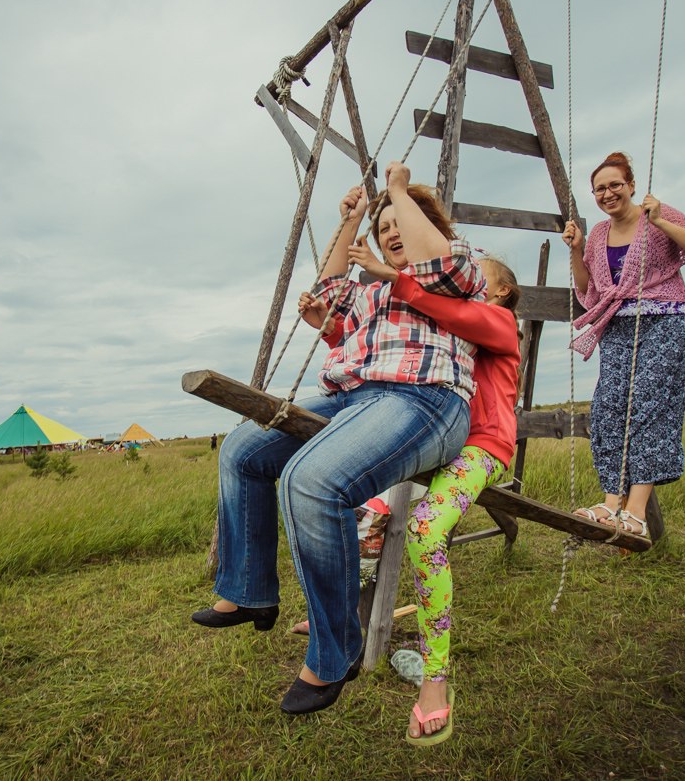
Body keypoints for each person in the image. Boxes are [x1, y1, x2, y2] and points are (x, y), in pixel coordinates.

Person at [191, 161, 484, 716]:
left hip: (426, 399)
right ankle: (249, 591)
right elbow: (327, 287)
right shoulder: (372, 291)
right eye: (385, 229)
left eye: (402, 222)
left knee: (311, 481)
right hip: (355, 395)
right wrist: (351, 221)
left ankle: (334, 652)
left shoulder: (459, 269)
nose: (391, 233)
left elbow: (440, 260)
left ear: (430, 223)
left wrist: (397, 192)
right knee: (243, 452)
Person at [348, 244, 521, 746]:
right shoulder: (453, 326)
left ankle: (435, 680)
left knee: (425, 530)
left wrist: (400, 278)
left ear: (502, 291)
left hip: (481, 446)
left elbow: (441, 304)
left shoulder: (498, 322)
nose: (461, 280)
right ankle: (340, 621)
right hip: (436, 435)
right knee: (364, 512)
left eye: (475, 275)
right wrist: (332, 320)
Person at [562, 151, 685, 539]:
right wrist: (576, 248)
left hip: (665, 320)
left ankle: (635, 513)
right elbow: (589, 291)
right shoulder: (600, 234)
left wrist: (663, 222)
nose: (608, 193)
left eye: (615, 185)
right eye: (599, 189)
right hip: (618, 326)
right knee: (609, 407)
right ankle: (610, 502)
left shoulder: (658, 214)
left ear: (631, 186)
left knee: (648, 403)